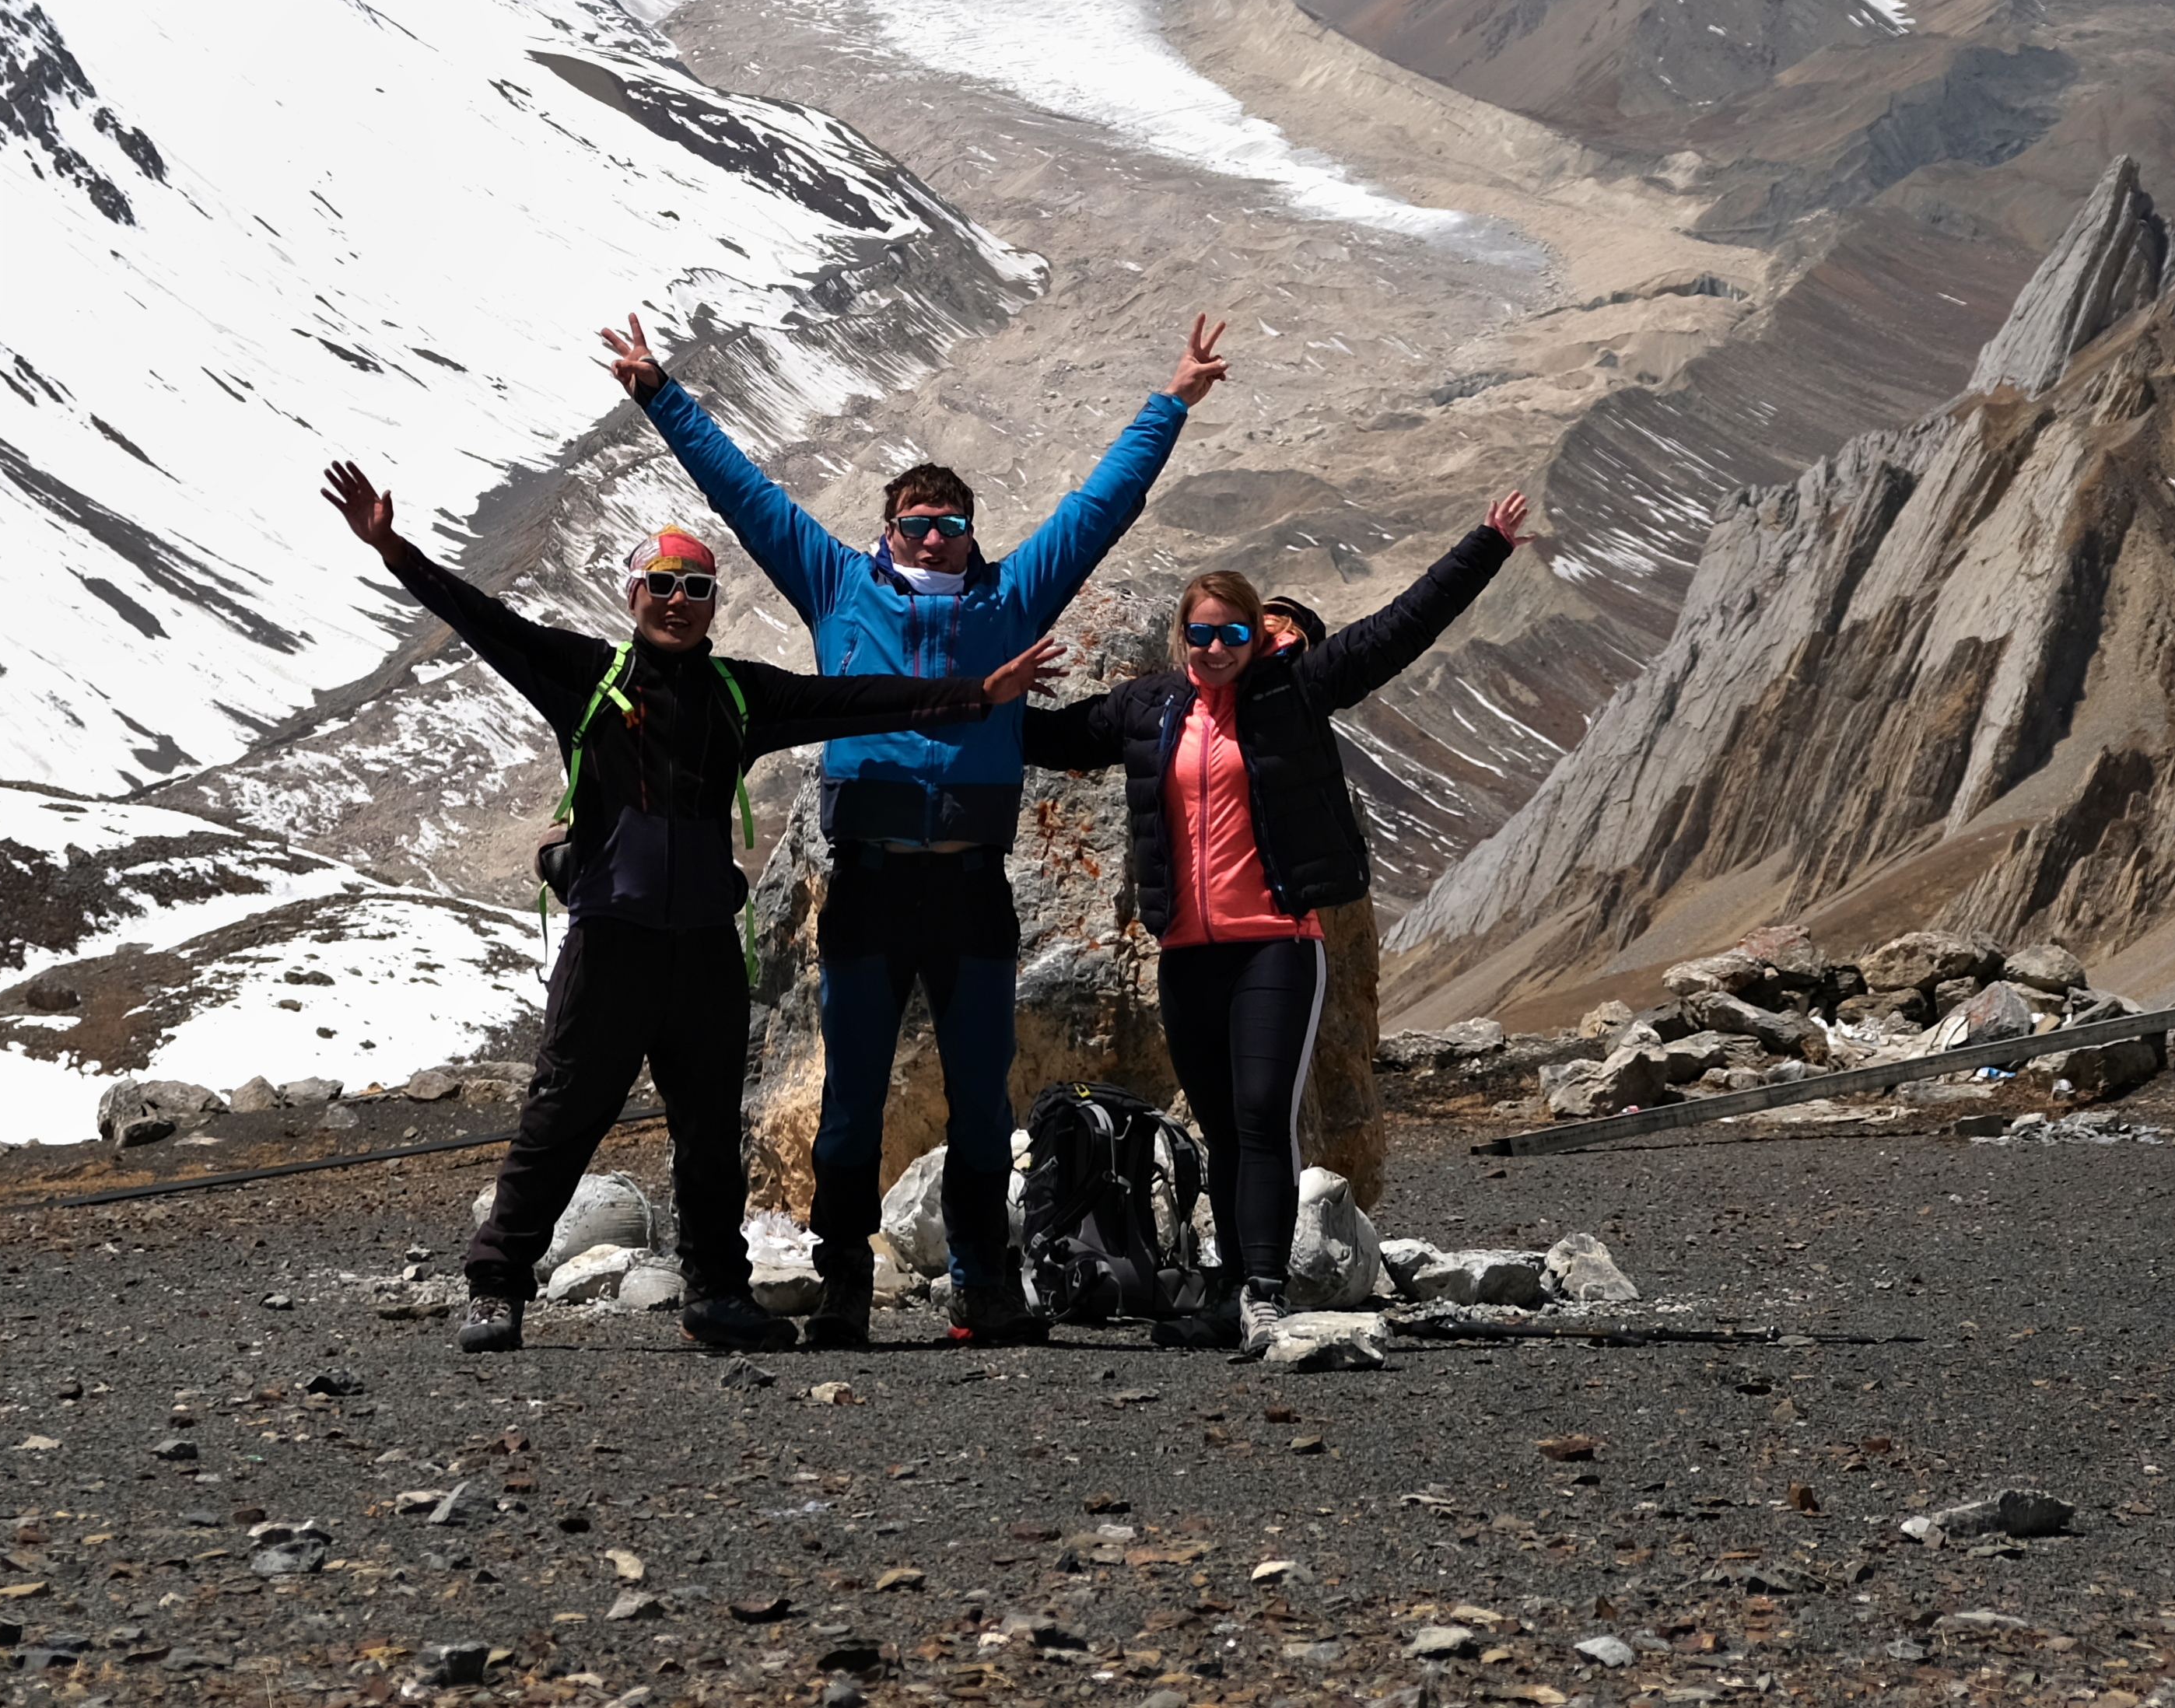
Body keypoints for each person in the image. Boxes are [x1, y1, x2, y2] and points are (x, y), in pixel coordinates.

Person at [317, 459, 1066, 1356]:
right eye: (661, 584)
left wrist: (974, 695)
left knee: (710, 1131)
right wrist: (392, 547)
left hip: (706, 946)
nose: (678, 599)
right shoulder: (583, 677)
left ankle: (716, 1292)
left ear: (713, 601)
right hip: (612, 940)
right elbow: (486, 622)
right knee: (562, 1113)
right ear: (633, 594)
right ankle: (496, 1285)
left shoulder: (740, 694)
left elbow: (854, 698)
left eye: (696, 586)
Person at [601, 310, 1231, 1345]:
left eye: (948, 522)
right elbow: (744, 494)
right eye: (913, 522)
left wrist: (1171, 402)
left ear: (971, 532)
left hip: (972, 882)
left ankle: (986, 1281)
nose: (931, 537)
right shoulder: (835, 584)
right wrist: (661, 394)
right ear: (883, 532)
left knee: (982, 1097)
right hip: (868, 879)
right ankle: (841, 1275)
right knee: (849, 1100)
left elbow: (1100, 504)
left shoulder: (1013, 597)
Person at [1022, 492, 1534, 1359]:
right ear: (1179, 640)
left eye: (1233, 635)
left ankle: (1263, 1291)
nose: (1216, 649)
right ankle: (1229, 1291)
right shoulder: (1145, 709)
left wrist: (1484, 546)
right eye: (1201, 635)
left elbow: (1399, 628)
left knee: (1262, 1115)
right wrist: (983, 696)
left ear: (1258, 638)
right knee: (1221, 1126)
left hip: (1275, 945)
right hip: (1186, 953)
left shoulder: (1294, 692)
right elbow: (1051, 738)